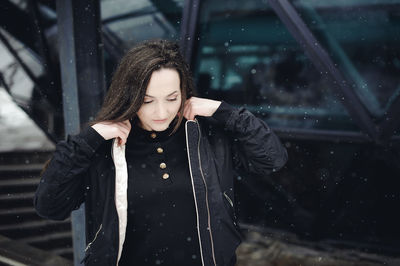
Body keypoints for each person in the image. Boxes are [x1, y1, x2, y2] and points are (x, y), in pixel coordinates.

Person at [34, 39, 288, 266]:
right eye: (147, 101)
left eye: (171, 98)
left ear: (184, 94)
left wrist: (227, 113)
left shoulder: (207, 137)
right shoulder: (105, 149)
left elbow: (272, 159)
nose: (161, 112)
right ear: (129, 97)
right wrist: (87, 140)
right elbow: (50, 207)